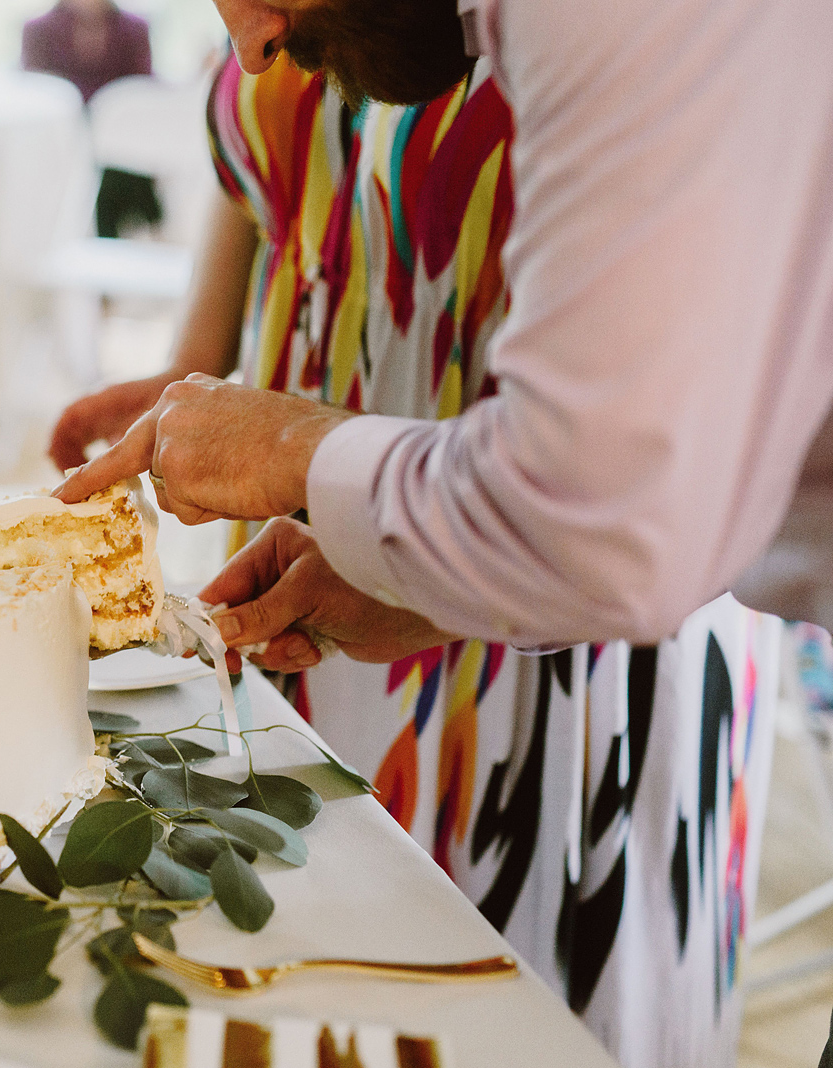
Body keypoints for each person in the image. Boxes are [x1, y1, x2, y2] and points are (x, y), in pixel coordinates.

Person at [54, 46, 779, 1066]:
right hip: (306, 510)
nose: (249, 32)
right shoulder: (278, 25)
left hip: (559, 541)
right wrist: (197, 365)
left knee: (509, 1004)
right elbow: (265, 169)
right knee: (300, 946)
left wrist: (351, 493)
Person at [55, 0, 833, 667]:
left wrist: (290, 449)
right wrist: (424, 580)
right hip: (450, 528)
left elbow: (603, 519)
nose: (251, 48)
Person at [21, 0, 160, 238]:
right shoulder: (38, 30)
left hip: (120, 156)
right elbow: (34, 97)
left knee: (121, 162)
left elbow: (143, 92)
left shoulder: (135, 28)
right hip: (60, 149)